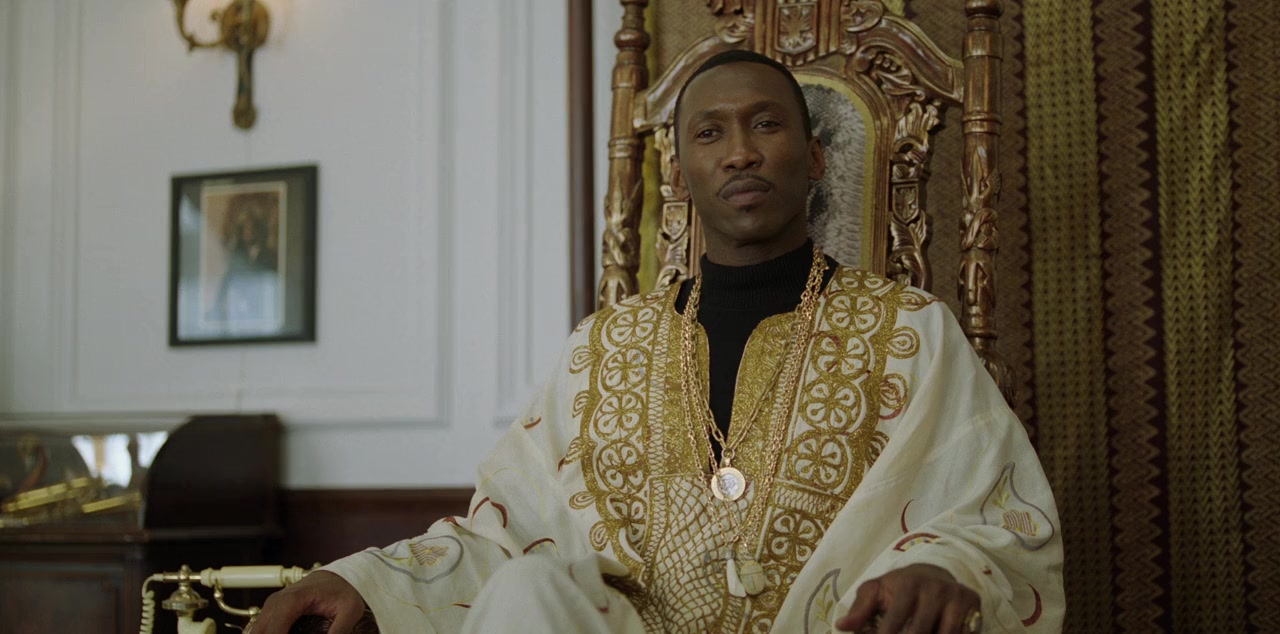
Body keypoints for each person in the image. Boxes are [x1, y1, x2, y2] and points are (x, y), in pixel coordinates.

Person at [253, 50, 1063, 634]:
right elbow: (506, 537)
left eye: (766, 124)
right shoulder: (604, 347)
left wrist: (943, 568)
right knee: (529, 590)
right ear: (679, 175)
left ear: (815, 157)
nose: (740, 151)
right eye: (709, 133)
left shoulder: (911, 330)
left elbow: (993, 516)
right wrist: (363, 581)